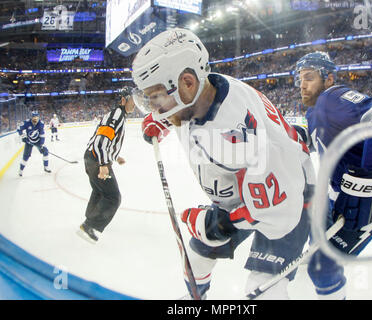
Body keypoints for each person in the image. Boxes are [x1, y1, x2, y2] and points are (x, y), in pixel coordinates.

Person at [132, 28, 315, 299]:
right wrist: (161, 119)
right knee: (196, 258)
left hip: (290, 198)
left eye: (156, 97)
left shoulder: (234, 139)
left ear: (187, 81)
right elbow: (184, 107)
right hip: (248, 194)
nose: (154, 107)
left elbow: (278, 212)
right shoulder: (207, 87)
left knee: (263, 287)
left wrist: (220, 224)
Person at [294, 51, 372, 299]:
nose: (302, 84)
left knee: (323, 268)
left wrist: (366, 182)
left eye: (309, 77)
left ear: (329, 79)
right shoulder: (315, 112)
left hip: (369, 204)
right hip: (339, 198)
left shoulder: (331, 98)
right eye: (300, 78)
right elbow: (322, 140)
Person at [77, 86, 135, 244]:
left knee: (99, 191)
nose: (134, 105)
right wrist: (103, 164)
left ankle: (89, 220)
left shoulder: (118, 115)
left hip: (91, 158)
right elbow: (101, 141)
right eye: (132, 101)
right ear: (123, 100)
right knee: (113, 197)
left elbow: (106, 142)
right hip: (97, 159)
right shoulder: (116, 115)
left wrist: (115, 157)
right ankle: (89, 226)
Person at [17, 110, 51, 176]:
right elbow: (19, 129)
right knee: (26, 157)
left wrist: (41, 144)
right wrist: (23, 136)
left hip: (38, 141)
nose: (35, 118)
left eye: (36, 117)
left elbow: (42, 135)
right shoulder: (27, 122)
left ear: (38, 117)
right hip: (29, 142)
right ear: (31, 117)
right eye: (33, 117)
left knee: (45, 151)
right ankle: (20, 170)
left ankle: (46, 167)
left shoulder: (41, 124)